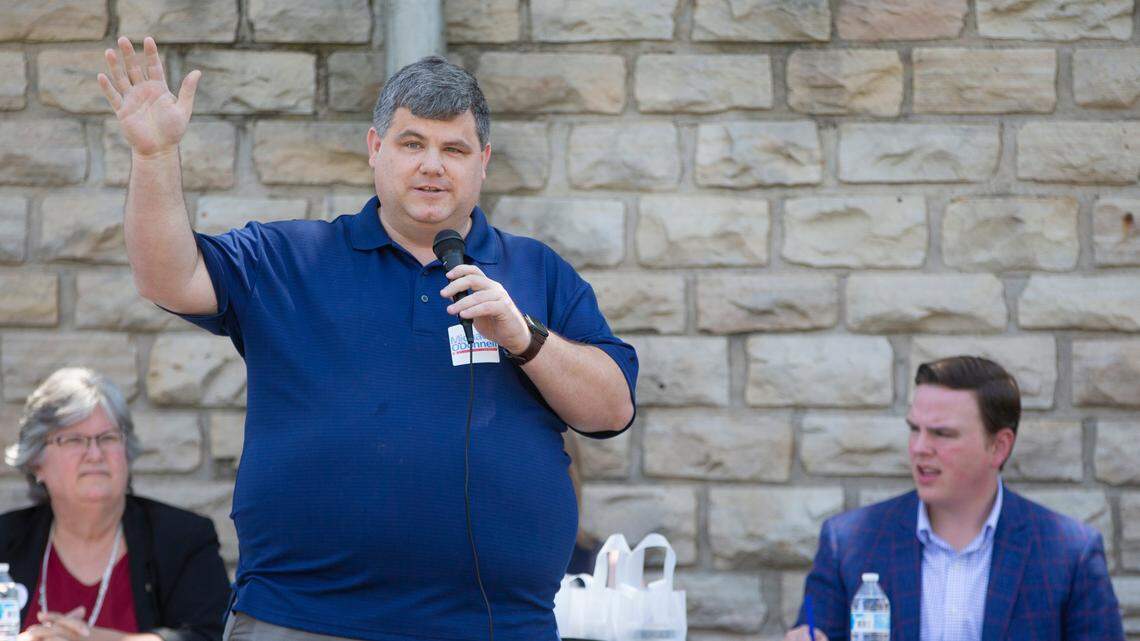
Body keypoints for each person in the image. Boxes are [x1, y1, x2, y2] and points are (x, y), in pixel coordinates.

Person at [96, 35, 637, 641]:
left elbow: (612, 410)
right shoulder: (288, 258)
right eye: (412, 144)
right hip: (301, 619)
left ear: (482, 162)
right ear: (375, 148)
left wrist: (524, 336)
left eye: (454, 149)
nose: (432, 165)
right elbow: (167, 278)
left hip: (496, 625)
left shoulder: (537, 272)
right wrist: (154, 155)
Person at [784, 356, 1123, 641]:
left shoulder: (1068, 554)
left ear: (998, 446)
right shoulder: (849, 543)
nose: (919, 448)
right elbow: (815, 631)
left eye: (942, 433)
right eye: (914, 429)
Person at [1, 367, 231, 641]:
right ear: (36, 462)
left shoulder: (183, 539)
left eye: (108, 438)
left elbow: (212, 636)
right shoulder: (4, 539)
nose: (95, 454)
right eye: (74, 439)